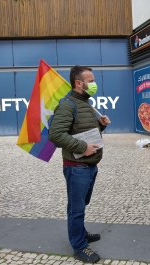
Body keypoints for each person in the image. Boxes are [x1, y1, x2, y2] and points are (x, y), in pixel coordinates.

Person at [49, 66, 111, 263]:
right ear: (78, 83)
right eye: (90, 81)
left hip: (90, 165)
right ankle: (79, 246)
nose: (94, 84)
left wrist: (100, 125)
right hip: (76, 167)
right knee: (76, 208)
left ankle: (81, 233)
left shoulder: (85, 103)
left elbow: (83, 129)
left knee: (82, 204)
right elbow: (56, 135)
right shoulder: (67, 105)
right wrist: (83, 147)